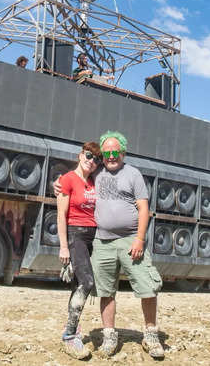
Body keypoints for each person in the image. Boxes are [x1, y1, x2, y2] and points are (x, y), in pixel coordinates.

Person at [55, 131, 164, 358]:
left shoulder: (131, 174)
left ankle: (151, 335)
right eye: (106, 154)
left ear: (123, 153)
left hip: (129, 239)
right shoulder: (96, 171)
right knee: (101, 289)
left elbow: (144, 208)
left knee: (146, 286)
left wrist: (140, 238)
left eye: (115, 152)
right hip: (100, 240)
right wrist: (57, 184)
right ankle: (102, 335)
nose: (109, 157)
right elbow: (71, 183)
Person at [56, 141, 102, 359]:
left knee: (77, 285)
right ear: (79, 155)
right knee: (87, 282)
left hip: (94, 235)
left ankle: (74, 329)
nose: (91, 161)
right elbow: (61, 215)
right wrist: (64, 246)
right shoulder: (67, 180)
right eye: (88, 156)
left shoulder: (93, 182)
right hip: (76, 234)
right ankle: (69, 335)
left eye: (96, 159)